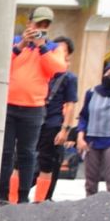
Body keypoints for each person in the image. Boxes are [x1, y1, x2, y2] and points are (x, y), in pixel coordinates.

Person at [0, 6, 67, 204]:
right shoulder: (15, 44)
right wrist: (21, 44)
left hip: (34, 109)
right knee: (5, 152)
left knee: (27, 153)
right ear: (29, 24)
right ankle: (3, 195)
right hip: (9, 106)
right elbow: (3, 65)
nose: (41, 28)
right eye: (38, 24)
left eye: (45, 25)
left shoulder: (54, 49)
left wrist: (42, 46)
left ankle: (22, 197)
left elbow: (58, 68)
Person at [33, 36, 78, 202]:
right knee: (25, 159)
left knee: (49, 161)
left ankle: (43, 199)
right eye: (56, 49)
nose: (58, 52)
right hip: (36, 120)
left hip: (54, 124)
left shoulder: (69, 78)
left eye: (63, 50)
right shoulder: (43, 72)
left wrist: (65, 129)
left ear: (68, 55)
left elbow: (71, 104)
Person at [76, 62, 110, 196]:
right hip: (92, 141)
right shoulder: (91, 93)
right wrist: (80, 138)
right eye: (109, 74)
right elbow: (84, 117)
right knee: (90, 181)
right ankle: (90, 210)